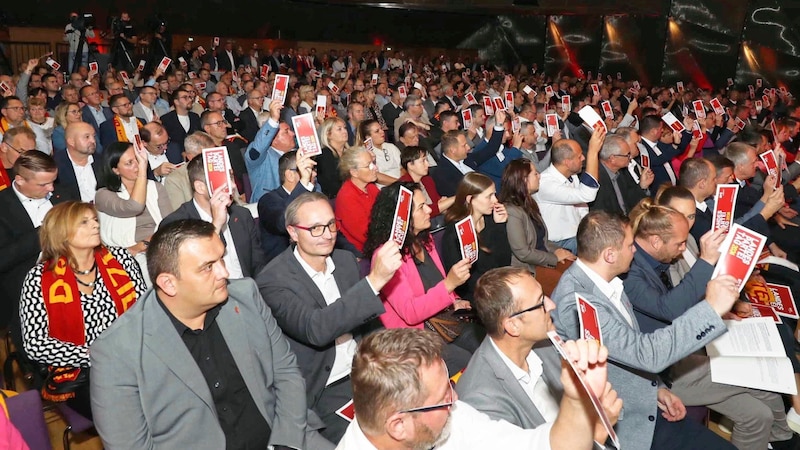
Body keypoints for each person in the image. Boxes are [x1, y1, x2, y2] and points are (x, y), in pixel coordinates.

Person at [90, 219, 334, 449]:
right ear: (168, 283)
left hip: (282, 434)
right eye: (208, 267)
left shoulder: (245, 296)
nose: (224, 273)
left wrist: (286, 442)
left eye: (221, 260)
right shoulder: (117, 351)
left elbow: (286, 373)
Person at [551, 210, 739, 450]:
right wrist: (711, 309)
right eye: (630, 245)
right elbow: (645, 353)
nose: (635, 251)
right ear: (609, 255)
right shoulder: (578, 301)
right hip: (625, 425)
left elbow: (625, 352)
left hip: (642, 403)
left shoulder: (602, 281)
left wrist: (657, 389)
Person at [256, 192, 402, 443]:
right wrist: (374, 281)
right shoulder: (272, 280)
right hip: (324, 387)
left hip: (365, 370)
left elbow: (367, 324)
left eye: (331, 224)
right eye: (315, 228)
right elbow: (316, 329)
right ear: (292, 232)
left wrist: (390, 359)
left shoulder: (344, 261)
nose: (327, 234)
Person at [337, 327, 609, 450]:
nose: (456, 399)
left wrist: (577, 400)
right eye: (443, 398)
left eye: (449, 387)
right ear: (398, 426)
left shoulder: (453, 418)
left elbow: (541, 446)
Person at [457, 267, 622, 446]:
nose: (551, 305)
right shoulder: (481, 401)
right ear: (513, 326)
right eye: (540, 302)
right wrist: (596, 434)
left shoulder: (542, 342)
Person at [20, 201, 146, 419]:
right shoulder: (39, 279)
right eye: (84, 222)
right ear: (62, 233)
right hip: (82, 369)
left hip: (135, 354)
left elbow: (145, 310)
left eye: (95, 220)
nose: (96, 226)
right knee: (128, 409)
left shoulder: (121, 259)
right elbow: (35, 344)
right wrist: (94, 355)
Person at [363, 182, 479, 373]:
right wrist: (450, 284)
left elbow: (435, 284)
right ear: (403, 218)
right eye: (421, 207)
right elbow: (411, 313)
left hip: (441, 320)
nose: (429, 210)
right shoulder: (386, 257)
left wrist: (455, 300)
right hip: (415, 337)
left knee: (487, 342)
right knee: (467, 361)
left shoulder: (425, 240)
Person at [160, 157, 266, 279]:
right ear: (200, 187)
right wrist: (216, 225)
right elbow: (193, 270)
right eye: (224, 180)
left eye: (231, 177)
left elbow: (259, 265)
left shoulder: (241, 215)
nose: (233, 185)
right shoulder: (175, 225)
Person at [94, 141, 174, 281]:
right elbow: (134, 207)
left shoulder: (156, 188)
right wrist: (144, 171)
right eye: (129, 163)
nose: (137, 166)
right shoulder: (104, 194)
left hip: (159, 246)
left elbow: (170, 224)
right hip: (125, 255)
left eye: (137, 159)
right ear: (115, 170)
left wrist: (145, 244)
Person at [498, 158, 575, 295]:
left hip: (542, 260)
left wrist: (559, 251)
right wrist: (554, 258)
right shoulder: (512, 211)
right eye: (535, 173)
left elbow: (543, 241)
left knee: (578, 271)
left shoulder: (529, 203)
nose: (539, 176)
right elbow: (523, 253)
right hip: (528, 269)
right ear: (524, 179)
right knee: (568, 287)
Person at [441, 173, 511, 303]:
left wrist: (500, 226)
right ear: (470, 199)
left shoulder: (490, 220)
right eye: (489, 196)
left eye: (494, 194)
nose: (495, 200)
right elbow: (464, 284)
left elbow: (504, 262)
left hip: (497, 287)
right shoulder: (456, 233)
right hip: (477, 297)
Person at [534, 127, 604, 253]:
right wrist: (593, 152)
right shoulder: (545, 183)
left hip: (577, 236)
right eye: (579, 156)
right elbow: (587, 195)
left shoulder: (572, 176)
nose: (583, 158)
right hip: (558, 244)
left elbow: (582, 208)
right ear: (567, 162)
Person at [258, 150, 319, 262]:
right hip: (284, 267)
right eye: (308, 170)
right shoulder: (268, 200)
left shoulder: (314, 196)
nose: (314, 174)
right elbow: (283, 222)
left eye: (313, 169)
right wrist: (304, 182)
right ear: (290, 175)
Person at [335, 146, 381, 253]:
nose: (375, 168)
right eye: (368, 165)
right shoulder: (347, 197)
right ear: (354, 172)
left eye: (373, 163)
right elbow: (366, 236)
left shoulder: (370, 187)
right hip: (365, 252)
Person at [398, 145, 452, 228]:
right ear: (410, 165)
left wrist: (443, 204)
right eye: (423, 161)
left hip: (437, 220)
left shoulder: (427, 180)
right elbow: (430, 210)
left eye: (426, 160)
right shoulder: (405, 186)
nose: (427, 164)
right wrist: (456, 198)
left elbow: (436, 203)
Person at [315, 117, 349, 198]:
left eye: (345, 128)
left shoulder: (349, 152)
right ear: (328, 134)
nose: (344, 131)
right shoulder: (324, 155)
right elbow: (331, 185)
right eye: (339, 129)